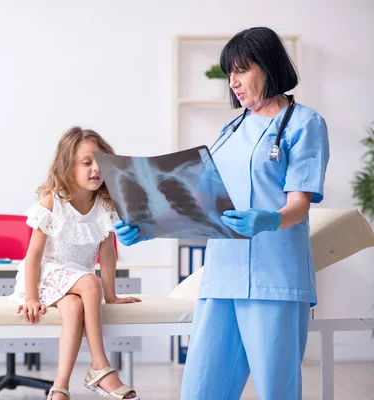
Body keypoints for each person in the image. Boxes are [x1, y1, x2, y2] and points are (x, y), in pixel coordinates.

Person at [115, 27, 330, 400]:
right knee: (201, 389)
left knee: (276, 391)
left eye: (241, 70)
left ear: (268, 66)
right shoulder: (230, 129)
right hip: (221, 278)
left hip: (274, 279)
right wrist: (151, 226)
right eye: (229, 73)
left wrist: (270, 219)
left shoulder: (305, 124)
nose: (233, 82)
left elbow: (299, 204)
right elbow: (202, 202)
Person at [9, 126, 141, 400]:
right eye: (87, 162)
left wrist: (113, 296)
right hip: (44, 277)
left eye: (101, 162)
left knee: (74, 306)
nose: (96, 169)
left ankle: (60, 387)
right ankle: (100, 366)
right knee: (90, 283)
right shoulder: (52, 203)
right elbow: (33, 257)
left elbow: (107, 255)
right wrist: (31, 297)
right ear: (68, 167)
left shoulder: (105, 206)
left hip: (75, 285)